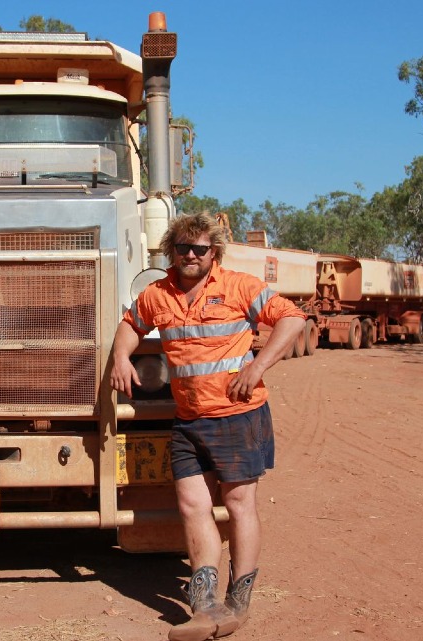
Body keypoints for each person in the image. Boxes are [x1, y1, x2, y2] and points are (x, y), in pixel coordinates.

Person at [110, 213, 305, 641]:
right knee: (192, 507)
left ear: (214, 251)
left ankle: (239, 601)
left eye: (200, 248)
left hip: (239, 415)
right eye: (183, 248)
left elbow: (292, 318)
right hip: (189, 421)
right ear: (171, 251)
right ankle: (205, 604)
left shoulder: (239, 286)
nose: (192, 255)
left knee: (238, 506)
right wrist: (121, 356)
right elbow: (130, 325)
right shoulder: (157, 294)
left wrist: (258, 365)